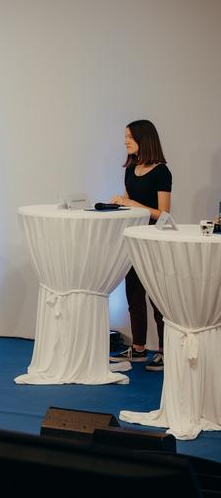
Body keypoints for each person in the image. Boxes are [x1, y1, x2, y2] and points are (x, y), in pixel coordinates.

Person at [108, 120, 171, 372]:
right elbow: (128, 202)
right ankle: (139, 348)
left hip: (153, 242)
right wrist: (120, 204)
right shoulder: (130, 169)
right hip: (131, 239)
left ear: (144, 139)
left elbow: (164, 214)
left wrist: (134, 205)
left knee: (157, 299)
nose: (125, 141)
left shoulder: (162, 172)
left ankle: (166, 351)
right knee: (133, 295)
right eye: (125, 137)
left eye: (130, 137)